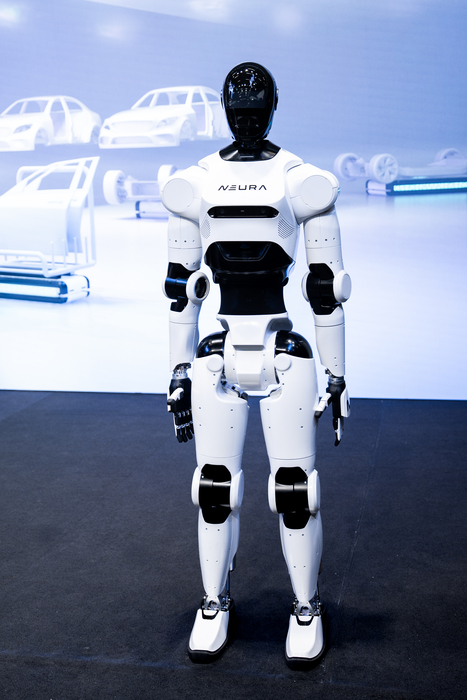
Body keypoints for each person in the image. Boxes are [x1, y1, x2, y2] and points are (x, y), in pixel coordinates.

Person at [161, 62, 351, 670]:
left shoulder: (300, 180)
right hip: (218, 352)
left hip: (282, 349)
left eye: (254, 110)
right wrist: (177, 369)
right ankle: (213, 603)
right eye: (237, 111)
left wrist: (337, 373)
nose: (245, 120)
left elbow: (326, 287)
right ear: (225, 110)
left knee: (295, 490)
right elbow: (181, 288)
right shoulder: (196, 183)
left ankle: (306, 608)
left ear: (271, 108)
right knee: (214, 488)